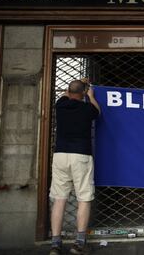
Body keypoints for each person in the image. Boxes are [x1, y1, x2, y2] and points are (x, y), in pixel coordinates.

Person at [49, 78, 101, 255]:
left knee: (59, 199)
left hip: (60, 155)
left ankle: (55, 244)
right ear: (83, 94)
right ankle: (79, 243)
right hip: (81, 155)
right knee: (84, 198)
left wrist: (77, 84)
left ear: (69, 92)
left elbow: (66, 93)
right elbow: (98, 111)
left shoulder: (60, 105)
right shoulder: (87, 108)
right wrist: (90, 95)